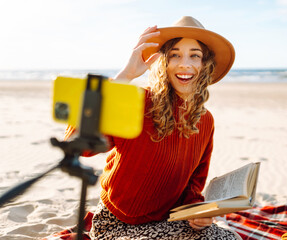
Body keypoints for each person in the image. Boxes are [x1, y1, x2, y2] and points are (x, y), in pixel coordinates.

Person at [65, 16, 236, 239]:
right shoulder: (136, 102)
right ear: (163, 62)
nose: (185, 63)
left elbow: (194, 183)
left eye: (195, 55)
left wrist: (198, 214)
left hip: (169, 220)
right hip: (115, 222)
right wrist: (125, 75)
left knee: (228, 238)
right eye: (175, 55)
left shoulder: (206, 120)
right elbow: (77, 145)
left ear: (205, 64)